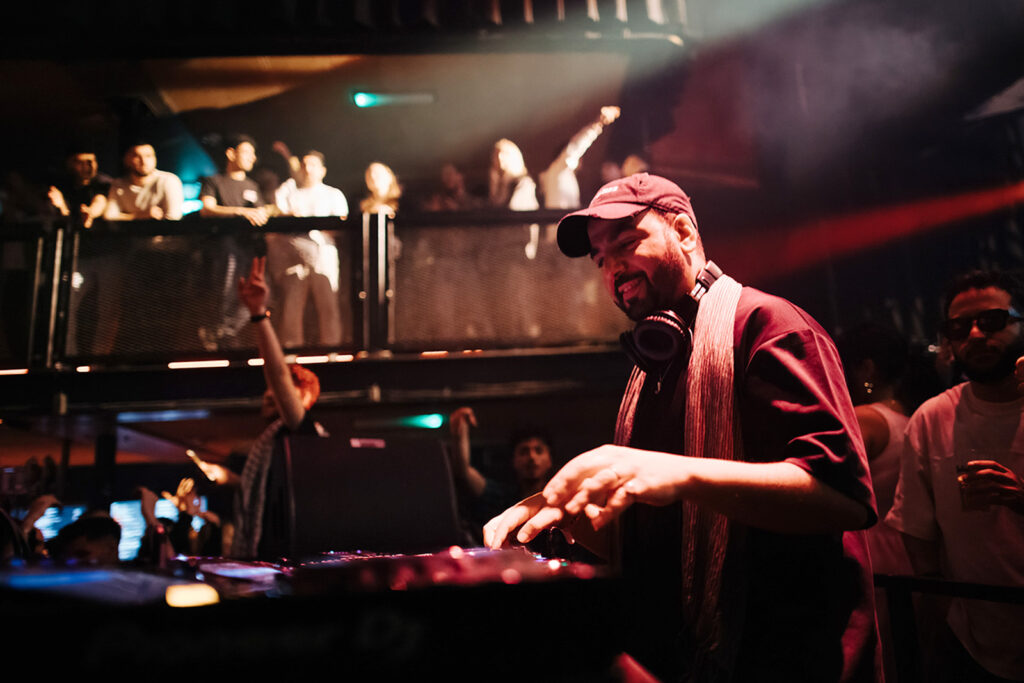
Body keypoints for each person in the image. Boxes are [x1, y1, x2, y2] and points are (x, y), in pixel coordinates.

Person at [484, 173, 880, 682]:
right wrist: (561, 517)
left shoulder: (768, 326)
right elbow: (664, 539)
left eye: (626, 243)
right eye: (601, 260)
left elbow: (844, 496)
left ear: (685, 234)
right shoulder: (655, 364)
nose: (612, 270)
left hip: (788, 660)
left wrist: (671, 472)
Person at [887, 269, 1024, 682]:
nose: (977, 335)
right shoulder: (933, 418)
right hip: (972, 638)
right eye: (959, 327)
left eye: (994, 321)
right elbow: (919, 539)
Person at [192, 256, 328, 560]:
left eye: (282, 390)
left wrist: (258, 314)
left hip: (292, 557)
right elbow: (267, 490)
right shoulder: (276, 439)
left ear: (303, 399)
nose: (270, 393)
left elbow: (278, 375)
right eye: (270, 389)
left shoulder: (304, 431)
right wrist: (227, 478)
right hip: (270, 555)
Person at [199, 134, 272, 350]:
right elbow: (207, 209)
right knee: (226, 291)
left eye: (253, 153)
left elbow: (260, 212)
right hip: (224, 249)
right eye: (247, 152)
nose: (253, 158)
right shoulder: (214, 181)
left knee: (263, 291)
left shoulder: (252, 185)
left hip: (249, 249)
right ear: (231, 153)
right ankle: (217, 334)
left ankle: (227, 331)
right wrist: (241, 212)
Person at [270, 149, 347, 347]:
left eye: (312, 164)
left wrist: (311, 227)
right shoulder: (289, 194)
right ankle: (291, 354)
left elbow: (340, 227)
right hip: (293, 259)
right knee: (291, 308)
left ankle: (332, 352)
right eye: (304, 164)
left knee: (328, 306)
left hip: (323, 256)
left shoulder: (333, 194)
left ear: (323, 170)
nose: (307, 169)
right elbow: (277, 224)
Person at [447, 407, 554, 537]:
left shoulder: (560, 499)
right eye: (524, 451)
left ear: (549, 460)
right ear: (514, 460)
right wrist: (459, 433)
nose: (532, 457)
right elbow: (463, 471)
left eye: (538, 450)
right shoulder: (502, 497)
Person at [539, 105, 620, 210]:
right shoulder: (559, 170)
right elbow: (575, 148)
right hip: (559, 225)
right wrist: (597, 124)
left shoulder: (561, 174)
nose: (581, 159)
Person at [104, 143, 183, 221]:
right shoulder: (119, 184)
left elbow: (173, 219)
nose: (143, 161)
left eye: (148, 156)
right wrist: (138, 216)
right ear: (126, 160)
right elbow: (109, 216)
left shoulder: (168, 181)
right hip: (130, 233)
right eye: (137, 156)